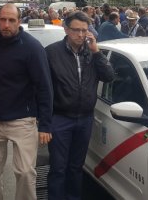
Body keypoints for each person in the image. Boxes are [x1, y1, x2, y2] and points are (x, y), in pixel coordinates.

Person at [0, 4, 53, 200]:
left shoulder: (32, 48)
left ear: (19, 22)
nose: (6, 25)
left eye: (11, 20)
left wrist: (45, 125)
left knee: (25, 172)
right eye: (3, 20)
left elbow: (45, 86)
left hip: (23, 118)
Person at [45, 11, 115, 200]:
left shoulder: (90, 53)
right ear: (66, 29)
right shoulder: (52, 52)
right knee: (59, 168)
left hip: (84, 118)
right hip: (60, 118)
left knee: (76, 167)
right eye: (76, 30)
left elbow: (109, 76)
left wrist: (96, 51)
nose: (81, 35)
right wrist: (45, 120)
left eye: (84, 30)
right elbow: (43, 88)